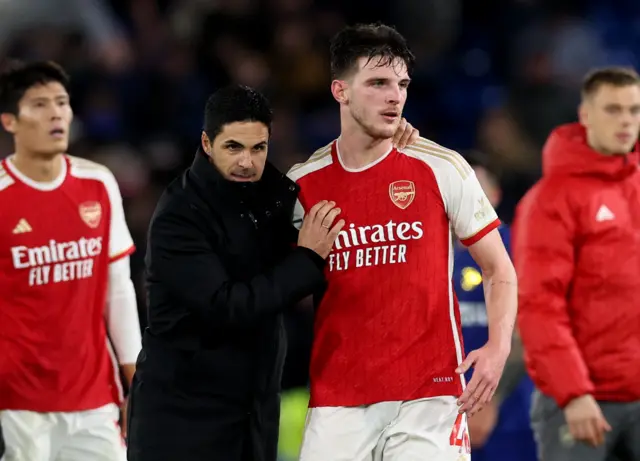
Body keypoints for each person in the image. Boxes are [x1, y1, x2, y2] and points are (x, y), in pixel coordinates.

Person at [287, 23, 517, 461]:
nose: (395, 96)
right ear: (341, 91)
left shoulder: (441, 167)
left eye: (402, 84)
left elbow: (499, 269)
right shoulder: (302, 185)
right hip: (338, 397)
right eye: (378, 83)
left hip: (429, 395)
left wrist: (497, 349)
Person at [125, 85, 348, 461]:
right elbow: (228, 306)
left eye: (258, 148)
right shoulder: (180, 215)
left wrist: (393, 142)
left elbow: (339, 197)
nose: (247, 162)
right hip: (182, 423)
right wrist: (308, 258)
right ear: (207, 143)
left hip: (253, 415)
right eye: (233, 147)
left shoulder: (271, 193)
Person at [0, 61, 141, 460]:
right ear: (10, 121)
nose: (56, 113)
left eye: (62, 102)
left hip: (93, 399)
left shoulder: (97, 183)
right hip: (15, 405)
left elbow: (119, 290)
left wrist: (138, 380)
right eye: (40, 104)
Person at [513, 66, 640, 461]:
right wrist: (574, 393)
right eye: (613, 109)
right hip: (583, 402)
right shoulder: (550, 199)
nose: (626, 121)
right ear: (584, 115)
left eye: (635, 110)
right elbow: (539, 304)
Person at [454, 152, 536, 461]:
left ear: (495, 194)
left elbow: (531, 331)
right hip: (446, 410)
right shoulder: (433, 254)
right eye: (459, 188)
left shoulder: (519, 246)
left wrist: (491, 402)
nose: (467, 197)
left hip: (509, 413)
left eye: (477, 187)